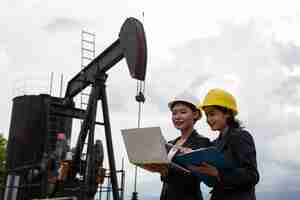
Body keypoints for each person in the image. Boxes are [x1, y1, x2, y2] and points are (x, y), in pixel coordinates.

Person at [189, 88, 259, 200]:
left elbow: (252, 176)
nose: (208, 119)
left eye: (212, 114)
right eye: (206, 115)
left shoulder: (241, 136)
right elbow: (213, 181)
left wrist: (218, 173)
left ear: (227, 113)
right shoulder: (214, 144)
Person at [149, 93, 212, 200]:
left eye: (183, 112)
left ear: (196, 114)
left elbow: (197, 176)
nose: (177, 117)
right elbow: (166, 177)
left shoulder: (202, 142)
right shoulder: (170, 143)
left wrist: (168, 171)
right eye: (174, 113)